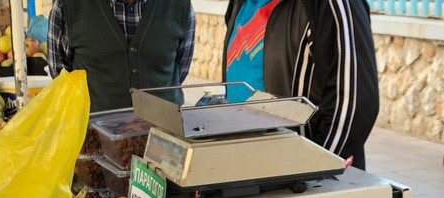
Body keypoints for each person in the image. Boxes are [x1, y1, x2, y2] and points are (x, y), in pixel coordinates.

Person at [223, 0, 379, 170]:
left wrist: (310, 174)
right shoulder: (240, 3)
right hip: (244, 169)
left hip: (293, 181)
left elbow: (353, 102)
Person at [47, 0, 196, 112]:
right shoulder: (67, 6)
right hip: (94, 140)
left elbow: (180, 68)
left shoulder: (180, 6)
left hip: (164, 138)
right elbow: (61, 74)